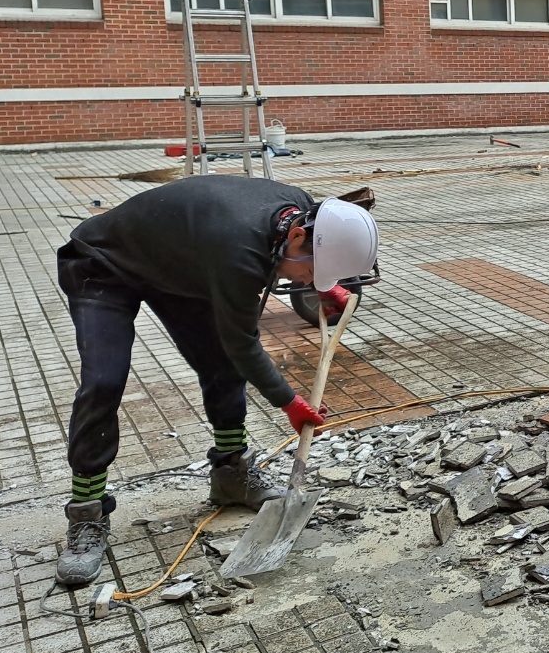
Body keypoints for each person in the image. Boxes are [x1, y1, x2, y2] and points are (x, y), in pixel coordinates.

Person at [53, 175, 380, 587]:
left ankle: (231, 475)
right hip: (102, 263)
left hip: (178, 265)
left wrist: (325, 281)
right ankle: (87, 512)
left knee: (221, 366)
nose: (305, 282)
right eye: (310, 271)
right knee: (104, 380)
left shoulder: (301, 207)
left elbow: (240, 340)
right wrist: (289, 402)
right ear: (297, 236)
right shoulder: (237, 253)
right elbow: (243, 342)